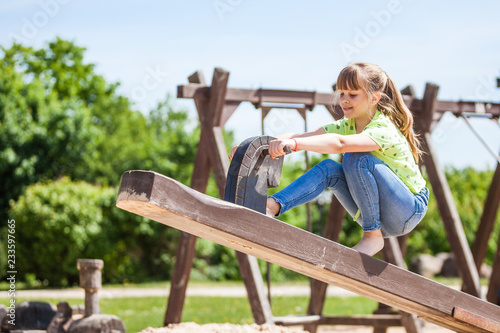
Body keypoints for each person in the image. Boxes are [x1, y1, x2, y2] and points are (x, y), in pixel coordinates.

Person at [229, 62, 429, 256]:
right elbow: (304, 136)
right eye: (341, 93)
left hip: (408, 209)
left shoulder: (383, 128)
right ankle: (271, 207)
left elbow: (340, 144)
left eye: (352, 94)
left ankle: (372, 236)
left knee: (356, 158)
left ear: (375, 98)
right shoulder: (347, 124)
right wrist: (251, 146)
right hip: (380, 212)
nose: (344, 99)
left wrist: (296, 146)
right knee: (328, 168)